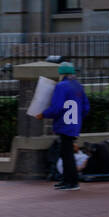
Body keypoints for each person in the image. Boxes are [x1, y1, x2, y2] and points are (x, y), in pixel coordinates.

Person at [42, 62, 89, 191]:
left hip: (64, 123)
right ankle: (67, 180)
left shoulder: (61, 86)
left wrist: (43, 114)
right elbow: (86, 107)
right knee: (66, 152)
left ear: (61, 73)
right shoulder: (78, 86)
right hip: (74, 123)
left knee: (67, 154)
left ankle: (72, 182)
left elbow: (56, 108)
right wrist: (78, 119)